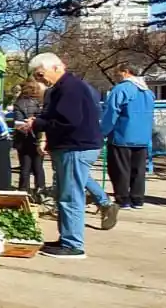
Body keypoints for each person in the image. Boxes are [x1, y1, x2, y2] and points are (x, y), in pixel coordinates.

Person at [26, 53, 109, 259]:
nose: (39, 80)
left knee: (71, 195)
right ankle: (67, 238)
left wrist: (38, 124)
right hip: (72, 146)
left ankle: (73, 244)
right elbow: (57, 117)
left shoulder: (70, 88)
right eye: (36, 76)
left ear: (55, 67)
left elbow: (67, 121)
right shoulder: (64, 88)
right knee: (65, 194)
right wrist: (39, 122)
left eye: (40, 74)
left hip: (75, 147)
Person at [102, 62, 156, 209]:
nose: (116, 76)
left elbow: (111, 112)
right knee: (138, 170)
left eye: (117, 73)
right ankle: (137, 199)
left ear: (125, 72)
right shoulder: (148, 92)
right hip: (142, 137)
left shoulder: (121, 89)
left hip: (122, 135)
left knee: (120, 169)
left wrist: (102, 131)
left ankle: (123, 199)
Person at [12, 80, 47, 199]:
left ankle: (23, 192)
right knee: (38, 167)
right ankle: (40, 192)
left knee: (25, 167)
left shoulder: (19, 103)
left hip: (23, 139)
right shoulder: (42, 103)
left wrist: (25, 126)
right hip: (39, 138)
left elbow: (18, 123)